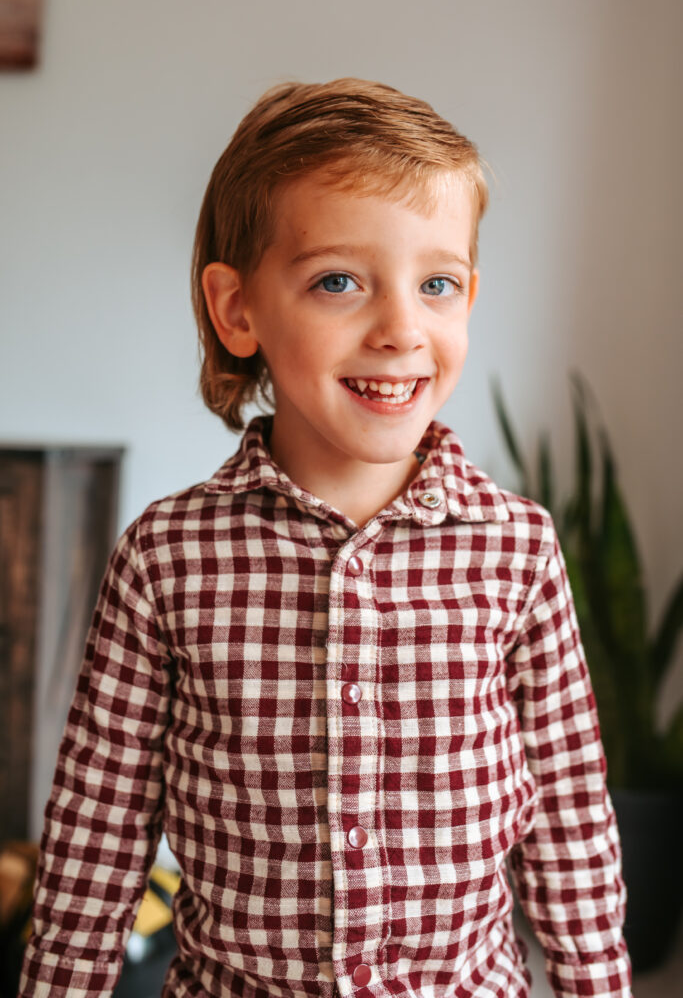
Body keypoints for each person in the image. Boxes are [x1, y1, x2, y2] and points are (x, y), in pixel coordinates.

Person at [19, 77, 632, 998]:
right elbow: (95, 833)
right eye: (338, 281)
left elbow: (571, 824)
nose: (400, 329)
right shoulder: (166, 556)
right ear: (237, 311)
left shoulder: (518, 549)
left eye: (436, 284)